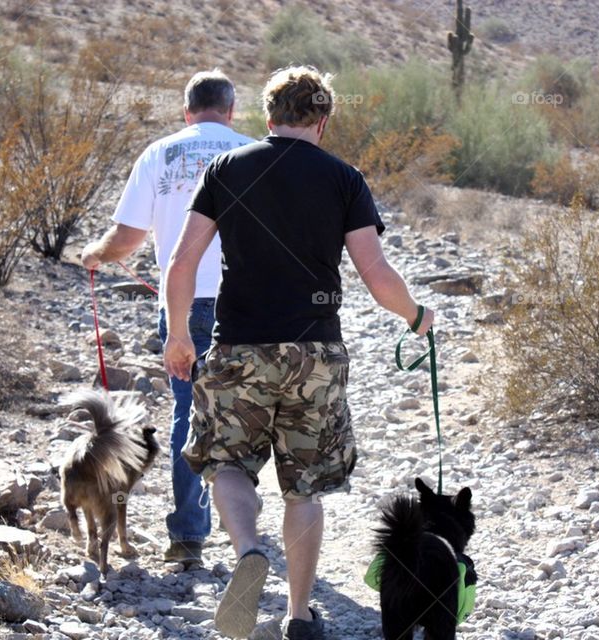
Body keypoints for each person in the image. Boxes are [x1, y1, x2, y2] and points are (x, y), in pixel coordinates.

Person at [163, 66, 435, 640]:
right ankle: (298, 614)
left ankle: (248, 553)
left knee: (227, 463)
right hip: (316, 353)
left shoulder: (225, 169)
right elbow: (375, 272)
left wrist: (179, 335)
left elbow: (181, 262)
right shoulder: (344, 178)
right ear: (323, 119)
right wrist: (414, 315)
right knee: (304, 487)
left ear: (268, 116)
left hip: (239, 344)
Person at [80, 69, 254, 566]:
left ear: (186, 111)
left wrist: (93, 254)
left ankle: (187, 539)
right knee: (249, 412)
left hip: (185, 306)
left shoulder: (160, 153)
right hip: (247, 304)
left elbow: (126, 240)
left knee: (190, 414)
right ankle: (248, 529)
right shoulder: (253, 153)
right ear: (231, 110)